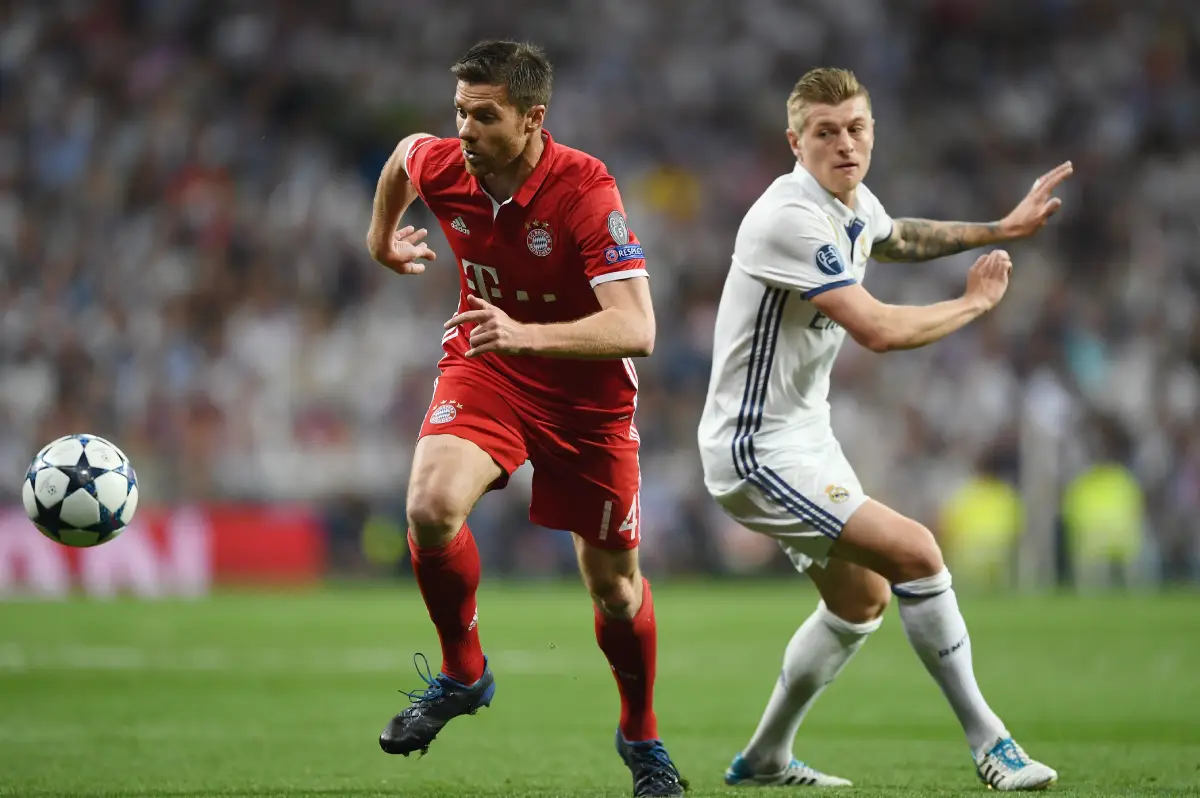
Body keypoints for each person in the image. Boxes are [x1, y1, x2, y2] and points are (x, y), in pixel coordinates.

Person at [697, 67, 1072, 791]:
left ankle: (766, 757)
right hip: (755, 449)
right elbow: (876, 329)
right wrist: (973, 305)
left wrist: (1002, 227)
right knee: (918, 552)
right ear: (794, 142)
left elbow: (895, 236)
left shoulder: (850, 202)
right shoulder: (789, 218)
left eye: (857, 128)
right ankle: (992, 745)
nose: (845, 144)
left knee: (859, 601)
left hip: (802, 436)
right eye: (826, 132)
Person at [365, 40, 686, 797]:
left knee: (614, 589)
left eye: (484, 116)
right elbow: (404, 158)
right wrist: (380, 239)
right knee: (430, 508)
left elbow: (638, 328)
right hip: (490, 367)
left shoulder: (585, 191)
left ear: (533, 119)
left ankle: (641, 737)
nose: (464, 131)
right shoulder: (447, 163)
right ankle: (462, 672)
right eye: (460, 114)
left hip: (589, 401)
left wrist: (530, 333)